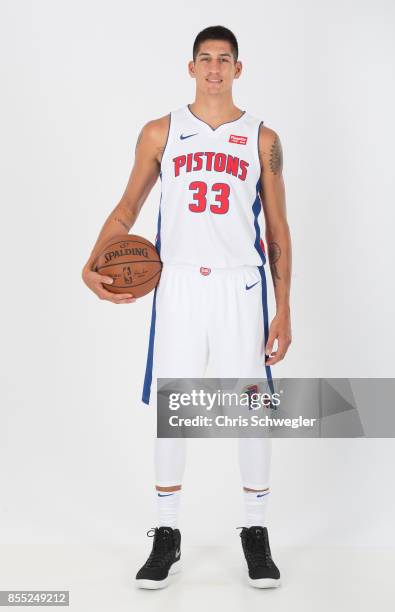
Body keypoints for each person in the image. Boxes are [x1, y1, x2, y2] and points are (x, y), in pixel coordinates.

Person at [82, 25, 292, 590]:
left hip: (241, 287)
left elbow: (278, 228)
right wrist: (91, 262)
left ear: (239, 68)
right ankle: (167, 534)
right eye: (206, 59)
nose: (215, 68)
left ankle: (255, 531)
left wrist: (285, 308)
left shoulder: (262, 137)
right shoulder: (160, 131)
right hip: (177, 283)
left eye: (225, 59)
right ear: (191, 66)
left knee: (249, 409)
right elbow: (127, 208)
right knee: (176, 412)